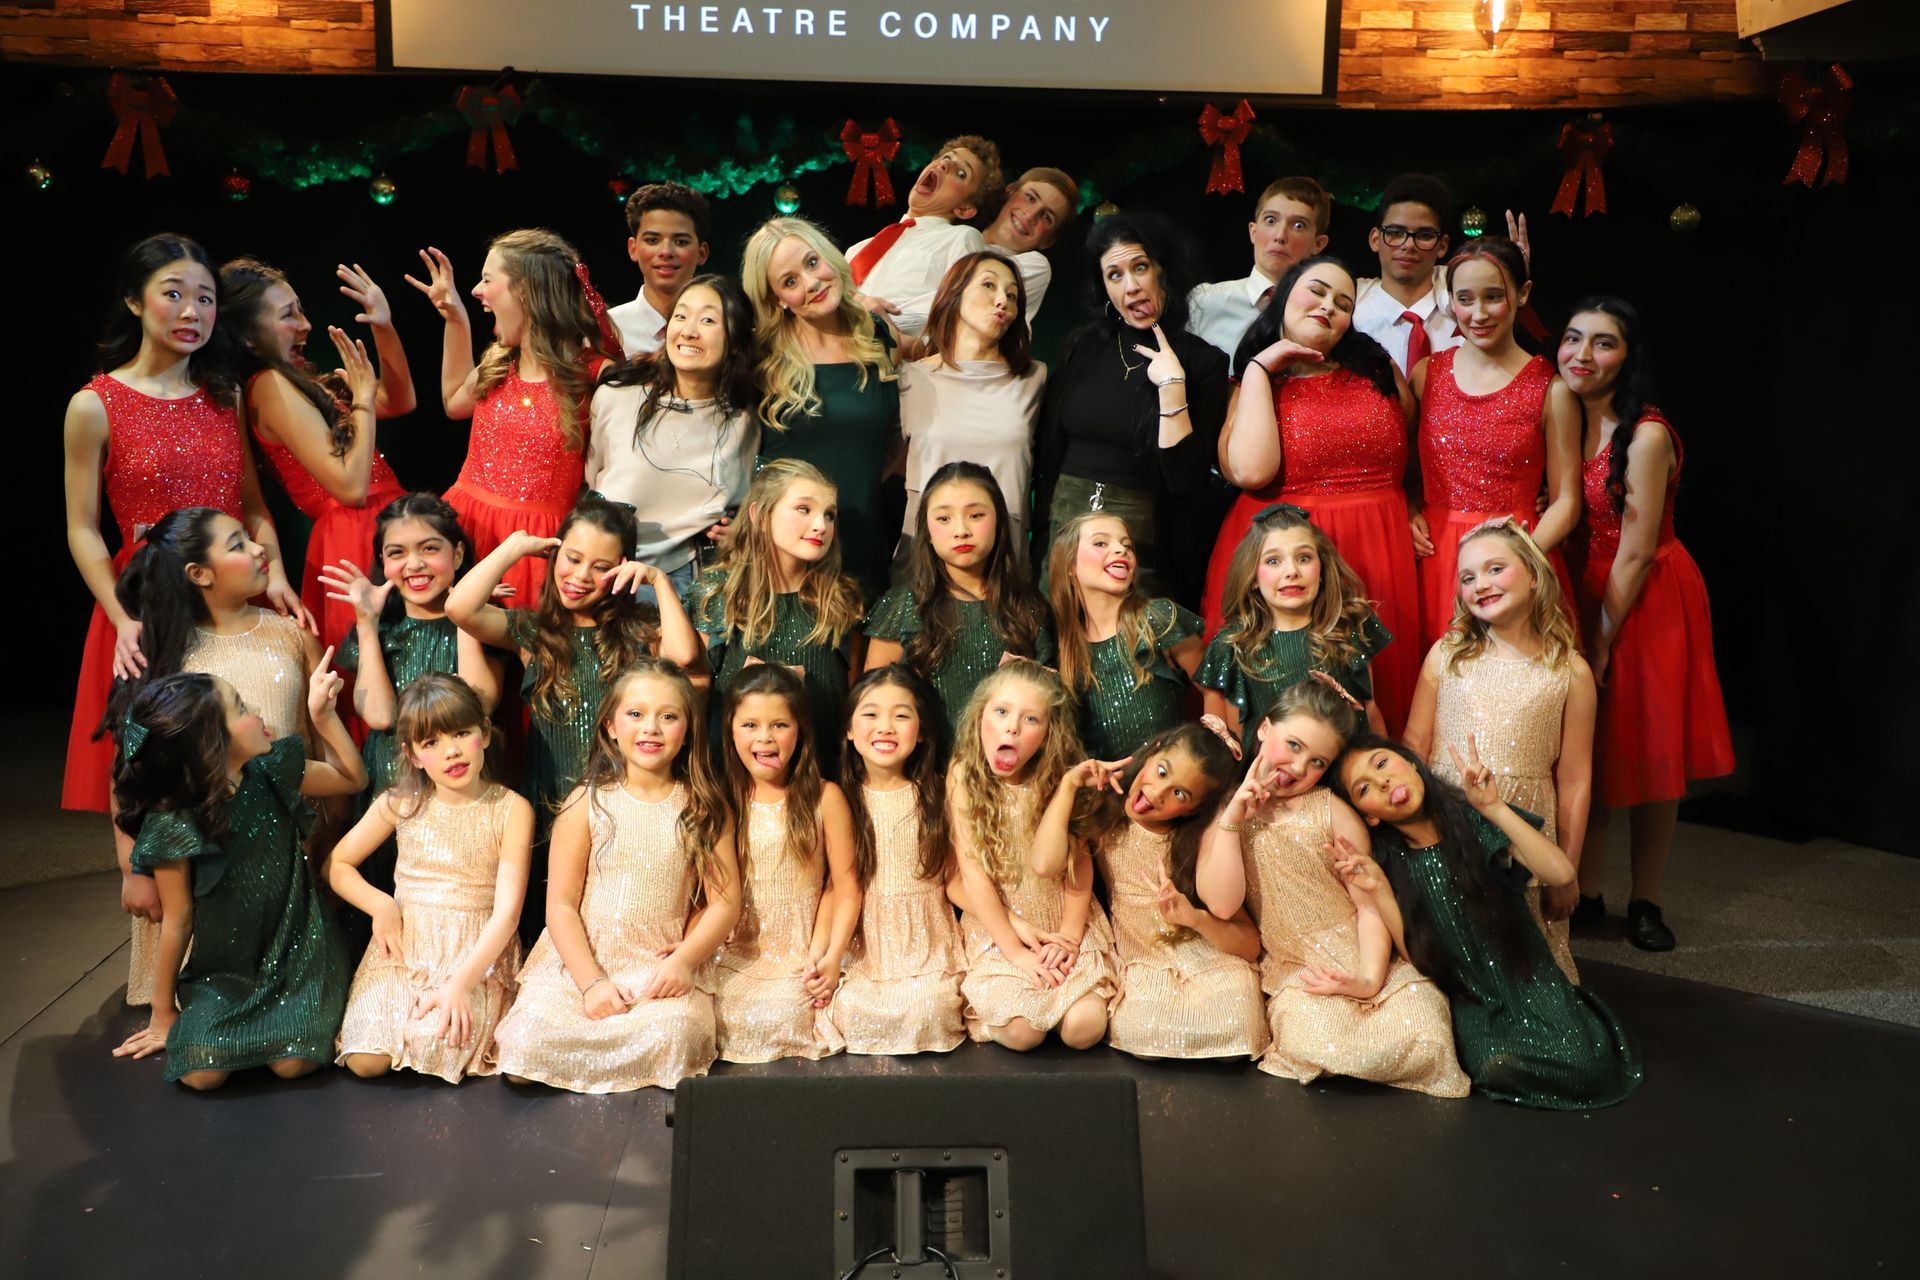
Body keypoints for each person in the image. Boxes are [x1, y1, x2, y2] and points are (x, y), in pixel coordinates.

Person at [65, 233, 307, 817]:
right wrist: (120, 617)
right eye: (173, 294)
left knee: (247, 762)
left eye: (205, 299)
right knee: (157, 776)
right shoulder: (94, 404)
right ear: (133, 301)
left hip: (231, 596)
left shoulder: (223, 395)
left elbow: (253, 508)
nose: (192, 312)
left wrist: (272, 574)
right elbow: (81, 527)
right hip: (147, 604)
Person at [1332, 736, 1642, 1109]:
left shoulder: (1473, 821)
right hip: (1475, 1002)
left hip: (1530, 980)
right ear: (1369, 815)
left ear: (1412, 764)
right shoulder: (1394, 864)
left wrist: (1494, 808)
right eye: (1364, 787)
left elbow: (1560, 873)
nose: (1381, 782)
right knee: (1494, 1065)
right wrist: (1380, 889)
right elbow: (1420, 958)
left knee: (1583, 1065)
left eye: (1382, 764)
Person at [102, 506, 332, 1005]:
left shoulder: (290, 634)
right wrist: (131, 869)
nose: (258, 550)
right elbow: (130, 770)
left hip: (282, 859)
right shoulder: (163, 653)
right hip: (200, 866)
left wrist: (328, 842)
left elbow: (317, 743)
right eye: (237, 545)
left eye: (251, 539)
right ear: (198, 573)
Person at [1195, 677, 1469, 1095]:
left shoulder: (1332, 812)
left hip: (1361, 954)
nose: (1300, 769)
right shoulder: (1225, 812)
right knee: (1318, 1044)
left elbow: (1368, 905)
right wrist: (1234, 818)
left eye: (1318, 762)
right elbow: (1222, 904)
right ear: (1265, 728)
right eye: (1293, 746)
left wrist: (1368, 979)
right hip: (1299, 970)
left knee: (1425, 1033)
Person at [1559, 299, 1734, 952]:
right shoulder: (1566, 416)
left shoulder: (1648, 434)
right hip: (1582, 584)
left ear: (1629, 358)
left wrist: (1600, 639)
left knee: (1653, 753)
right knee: (1594, 747)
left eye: (1603, 343)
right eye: (1573, 339)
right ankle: (1586, 891)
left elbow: (1634, 550)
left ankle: (1646, 900)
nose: (1583, 354)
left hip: (1648, 591)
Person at [446, 495, 701, 934]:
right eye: (573, 558)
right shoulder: (536, 632)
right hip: (550, 807)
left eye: (600, 567)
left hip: (623, 811)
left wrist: (658, 581)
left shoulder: (640, 629)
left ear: (623, 568)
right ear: (555, 552)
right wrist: (514, 548)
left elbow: (683, 654)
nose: (581, 576)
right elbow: (460, 608)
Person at [109, 663, 365, 1089]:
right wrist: (162, 1013)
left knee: (293, 1063)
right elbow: (179, 920)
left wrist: (323, 718)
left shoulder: (274, 771)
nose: (257, 711)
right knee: (200, 1074)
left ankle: (293, 1021)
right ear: (213, 742)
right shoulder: (175, 820)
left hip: (299, 953)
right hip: (225, 971)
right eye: (242, 707)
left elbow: (351, 778)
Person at [494, 658, 740, 1092]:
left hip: (655, 965)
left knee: (674, 1037)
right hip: (582, 961)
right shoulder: (585, 802)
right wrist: (591, 984)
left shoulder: (704, 807)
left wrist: (684, 961)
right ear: (610, 725)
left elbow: (725, 901)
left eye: (668, 717)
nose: (651, 728)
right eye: (636, 714)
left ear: (687, 733)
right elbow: (562, 906)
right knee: (523, 1045)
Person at [1211, 253, 1421, 732]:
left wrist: (1411, 503)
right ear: (1283, 296)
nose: (1330, 306)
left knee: (1375, 701)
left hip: (1377, 549)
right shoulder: (1255, 377)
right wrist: (1263, 368)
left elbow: (1413, 450)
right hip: (1286, 554)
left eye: (1344, 302)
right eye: (1318, 291)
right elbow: (1250, 470)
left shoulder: (1376, 366)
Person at [1405, 519, 1594, 982]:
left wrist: (1566, 869)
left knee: (1519, 964)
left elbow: (1575, 779)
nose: (1481, 584)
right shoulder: (1446, 655)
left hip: (1524, 831)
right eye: (1468, 577)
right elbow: (1414, 746)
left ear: (1533, 574)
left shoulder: (1569, 671)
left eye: (1495, 569)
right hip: (1450, 826)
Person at [331, 674, 533, 1082]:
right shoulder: (401, 803)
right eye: (432, 743)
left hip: (474, 952)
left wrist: (460, 984)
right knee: (365, 1059)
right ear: (413, 754)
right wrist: (380, 904)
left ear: (485, 736)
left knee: (435, 1042)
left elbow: (507, 914)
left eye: (462, 733)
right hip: (406, 947)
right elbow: (337, 864)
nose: (452, 751)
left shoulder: (511, 809)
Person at [406, 229, 620, 603]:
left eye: (488, 280)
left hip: (530, 554)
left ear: (526, 290)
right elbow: (455, 402)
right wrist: (455, 319)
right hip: (464, 533)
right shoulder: (503, 362)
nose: (476, 290)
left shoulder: (595, 375)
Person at [1035, 213, 1230, 608]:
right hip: (1064, 529)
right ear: (1104, 288)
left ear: (1163, 271)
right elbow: (1046, 449)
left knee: (1136, 656)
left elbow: (1186, 480)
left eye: (1140, 267)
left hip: (1145, 542)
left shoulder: (1202, 363)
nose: (1132, 285)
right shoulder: (1081, 346)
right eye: (1115, 275)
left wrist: (1173, 388)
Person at [220, 257, 414, 651]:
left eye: (301, 310)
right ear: (249, 338)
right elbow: (349, 487)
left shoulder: (297, 378)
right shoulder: (268, 385)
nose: (305, 324)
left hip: (387, 521)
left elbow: (399, 401)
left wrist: (382, 326)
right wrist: (360, 399)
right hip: (355, 538)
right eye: (288, 315)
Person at [1412, 237, 1580, 651]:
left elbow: (1566, 501)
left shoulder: (1550, 388)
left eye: (1493, 297)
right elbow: (1400, 467)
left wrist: (1517, 562)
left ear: (1522, 294)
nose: (1479, 313)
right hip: (1438, 556)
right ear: (1450, 301)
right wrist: (1408, 509)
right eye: (1465, 299)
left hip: (1518, 558)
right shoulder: (1425, 375)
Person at [949, 660, 1117, 1051]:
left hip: (1061, 919)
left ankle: (1062, 1002)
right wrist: (1014, 950)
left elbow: (1079, 866)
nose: (1012, 728)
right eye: (1002, 712)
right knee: (1024, 1034)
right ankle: (1021, 1006)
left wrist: (1070, 938)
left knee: (1084, 1029)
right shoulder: (962, 775)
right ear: (980, 718)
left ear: (1048, 734)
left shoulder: (1063, 777)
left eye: (1030, 719)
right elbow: (972, 876)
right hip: (1000, 928)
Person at [1072, 723, 1266, 1061]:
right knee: (1144, 1033)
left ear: (1193, 810)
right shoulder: (1104, 815)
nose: (1157, 792)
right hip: (1144, 959)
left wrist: (1195, 918)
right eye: (1161, 771)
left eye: (1180, 794)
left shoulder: (1196, 843)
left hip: (1206, 956)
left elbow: (1249, 944)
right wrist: (1069, 786)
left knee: (1239, 1022)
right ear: (1152, 752)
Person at [742, 217, 900, 598]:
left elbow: (894, 437)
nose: (811, 283)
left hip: (861, 539)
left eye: (812, 263)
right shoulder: (760, 356)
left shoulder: (877, 334)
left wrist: (857, 490)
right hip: (781, 557)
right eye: (790, 281)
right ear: (776, 298)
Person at [708, 663, 858, 1062]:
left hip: (801, 951)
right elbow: (707, 894)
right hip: (735, 950)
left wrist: (829, 957)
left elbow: (843, 887)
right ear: (730, 730)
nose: (765, 738)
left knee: (780, 1015)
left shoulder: (825, 799)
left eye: (779, 725)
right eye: (750, 725)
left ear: (800, 731)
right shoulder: (721, 800)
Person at [685, 459, 867, 774]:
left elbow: (849, 702)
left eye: (829, 514)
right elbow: (695, 697)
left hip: (820, 780)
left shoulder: (841, 599)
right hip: (733, 782)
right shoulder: (719, 593)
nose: (821, 525)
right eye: (803, 509)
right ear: (759, 514)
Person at [320, 493, 504, 802]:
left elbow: (478, 706)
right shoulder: (381, 629)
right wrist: (367, 622)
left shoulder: (488, 622)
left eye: (429, 548)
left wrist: (465, 613)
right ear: (382, 562)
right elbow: (379, 717)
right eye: (397, 553)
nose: (414, 564)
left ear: (457, 555)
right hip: (390, 794)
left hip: (460, 795)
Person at [587, 273, 760, 598]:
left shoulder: (746, 417)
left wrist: (739, 530)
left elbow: (746, 498)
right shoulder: (618, 395)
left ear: (736, 342)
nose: (689, 330)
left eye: (708, 319)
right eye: (680, 316)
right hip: (605, 573)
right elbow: (590, 479)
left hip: (691, 583)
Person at [830, 666, 967, 1054]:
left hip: (927, 941)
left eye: (902, 716)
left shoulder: (939, 793)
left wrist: (1015, 927)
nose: (885, 727)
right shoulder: (838, 799)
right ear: (849, 730)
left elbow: (955, 880)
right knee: (855, 1012)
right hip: (866, 943)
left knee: (929, 1008)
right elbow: (835, 888)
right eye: (870, 715)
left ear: (922, 731)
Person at [865, 463, 1052, 740]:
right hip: (923, 772)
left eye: (976, 515)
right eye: (943, 519)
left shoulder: (1027, 607)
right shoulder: (903, 604)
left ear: (999, 522)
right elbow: (873, 705)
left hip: (1003, 771)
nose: (961, 530)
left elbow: (1045, 704)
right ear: (926, 531)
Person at [1197, 504, 1391, 758]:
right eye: (1273, 561)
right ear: (1253, 577)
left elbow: (1370, 711)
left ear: (1321, 569)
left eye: (1304, 558)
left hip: (1347, 777)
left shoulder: (1348, 627)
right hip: (1274, 784)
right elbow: (1231, 743)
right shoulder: (1232, 645)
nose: (1291, 572)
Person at [895, 251, 1047, 566]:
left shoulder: (1034, 379)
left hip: (1003, 562)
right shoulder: (912, 378)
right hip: (927, 558)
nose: (1002, 300)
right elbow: (887, 464)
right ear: (954, 293)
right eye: (988, 285)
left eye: (1012, 295)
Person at [1045, 513, 1205, 761]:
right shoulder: (1061, 647)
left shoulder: (1157, 618)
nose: (1120, 549)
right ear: (1069, 567)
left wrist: (1221, 770)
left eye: (1127, 545)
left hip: (1165, 786)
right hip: (1104, 794)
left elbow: (1216, 689)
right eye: (1101, 543)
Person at [845, 135, 1001, 338]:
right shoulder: (857, 249)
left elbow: (959, 322)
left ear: (965, 208)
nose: (945, 165)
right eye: (946, 157)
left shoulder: (961, 238)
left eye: (962, 173)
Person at [1186, 176, 1331, 370]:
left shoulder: (1324, 314)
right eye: (1270, 220)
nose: (1280, 236)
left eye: (1298, 225)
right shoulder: (1205, 301)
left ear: (1318, 243)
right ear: (1253, 232)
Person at [608, 182, 713, 357]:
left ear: (702, 253)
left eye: (680, 242)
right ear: (633, 248)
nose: (666, 252)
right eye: (652, 240)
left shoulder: (723, 331)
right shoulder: (608, 332)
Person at [979, 166, 1079, 324]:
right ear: (1010, 191)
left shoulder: (1033, 270)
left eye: (1047, 217)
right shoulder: (958, 232)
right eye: (1031, 198)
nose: (1031, 215)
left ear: (1049, 240)